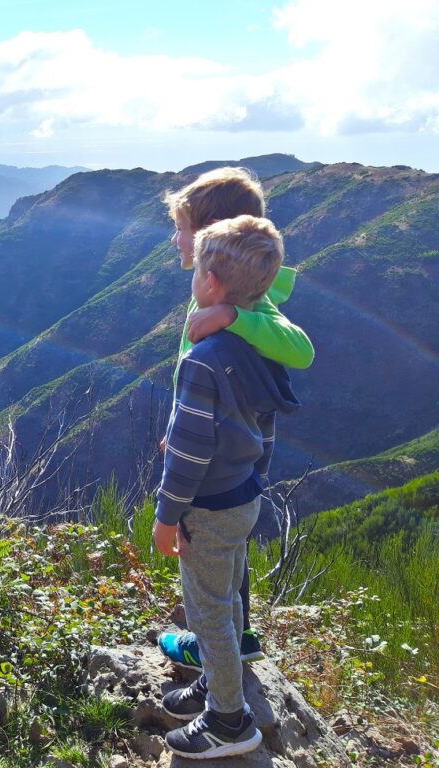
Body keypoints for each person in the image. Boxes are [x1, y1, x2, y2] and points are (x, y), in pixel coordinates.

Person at [153, 215, 300, 759]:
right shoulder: (253, 346)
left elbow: (190, 452)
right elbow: (257, 430)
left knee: (209, 613)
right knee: (229, 604)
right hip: (243, 497)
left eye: (198, 271)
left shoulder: (203, 361)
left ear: (210, 283)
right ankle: (221, 685)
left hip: (208, 508)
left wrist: (168, 517)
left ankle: (229, 722)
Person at [157, 167, 314, 670]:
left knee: (215, 549)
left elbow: (301, 350)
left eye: (182, 227)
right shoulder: (212, 293)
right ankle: (237, 635)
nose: (174, 238)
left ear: (213, 240)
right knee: (228, 549)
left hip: (226, 460)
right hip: (219, 444)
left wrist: (234, 319)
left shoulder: (248, 305)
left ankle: (218, 654)